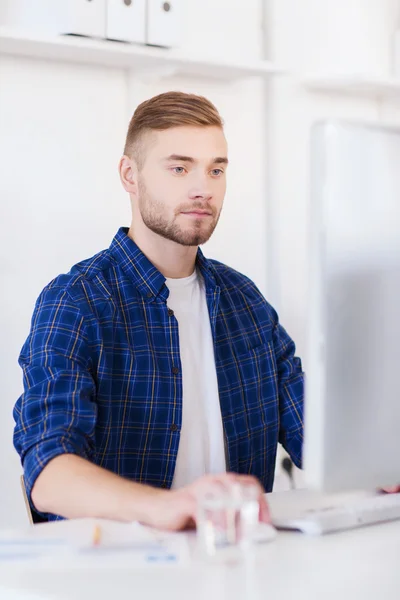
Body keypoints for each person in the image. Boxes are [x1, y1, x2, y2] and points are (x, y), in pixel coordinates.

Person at [13, 91, 304, 528]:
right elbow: (50, 472)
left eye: (216, 170)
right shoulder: (76, 302)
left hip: (241, 568)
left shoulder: (246, 303)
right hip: (121, 576)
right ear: (130, 175)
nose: (203, 188)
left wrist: (378, 465)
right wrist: (168, 508)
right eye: (179, 167)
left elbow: (320, 436)